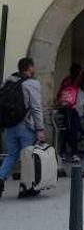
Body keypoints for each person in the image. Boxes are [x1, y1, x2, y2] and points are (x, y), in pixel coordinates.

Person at [0, 57, 45, 199]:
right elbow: (36, 107)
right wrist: (40, 128)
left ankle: (0, 178)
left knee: (12, 154)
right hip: (25, 125)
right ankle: (26, 188)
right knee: (27, 157)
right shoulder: (32, 83)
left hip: (9, 124)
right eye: (33, 66)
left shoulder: (9, 80)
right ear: (30, 67)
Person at [56, 63, 82, 162]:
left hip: (64, 108)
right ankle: (74, 153)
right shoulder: (79, 81)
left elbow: (59, 94)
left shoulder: (66, 80)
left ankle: (62, 153)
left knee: (65, 130)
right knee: (73, 131)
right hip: (74, 109)